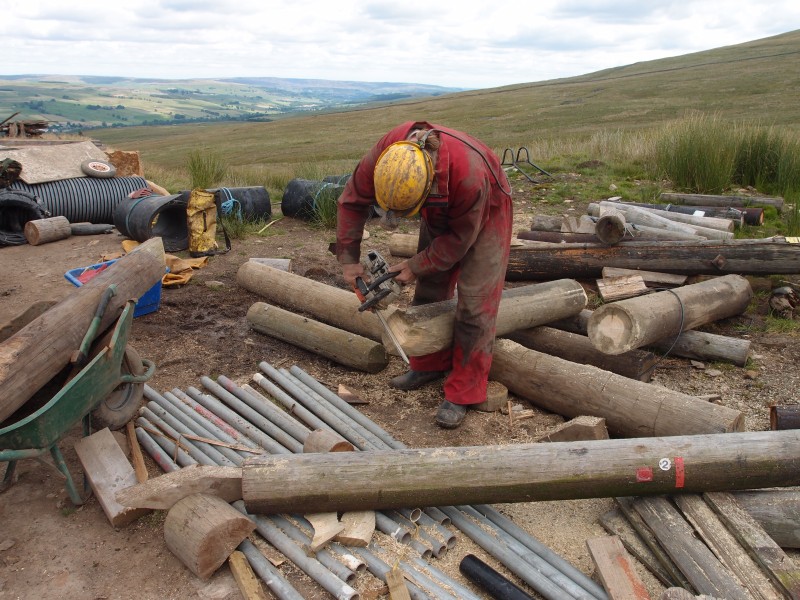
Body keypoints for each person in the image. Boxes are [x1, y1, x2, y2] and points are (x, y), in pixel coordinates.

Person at [335, 121, 513, 429]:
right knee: (430, 288)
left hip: (486, 207)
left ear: (427, 185)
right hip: (442, 202)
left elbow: (460, 240)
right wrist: (349, 260)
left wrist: (416, 265)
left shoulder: (469, 177)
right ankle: (429, 364)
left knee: (475, 302)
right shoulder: (387, 153)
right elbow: (351, 202)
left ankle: (464, 391)